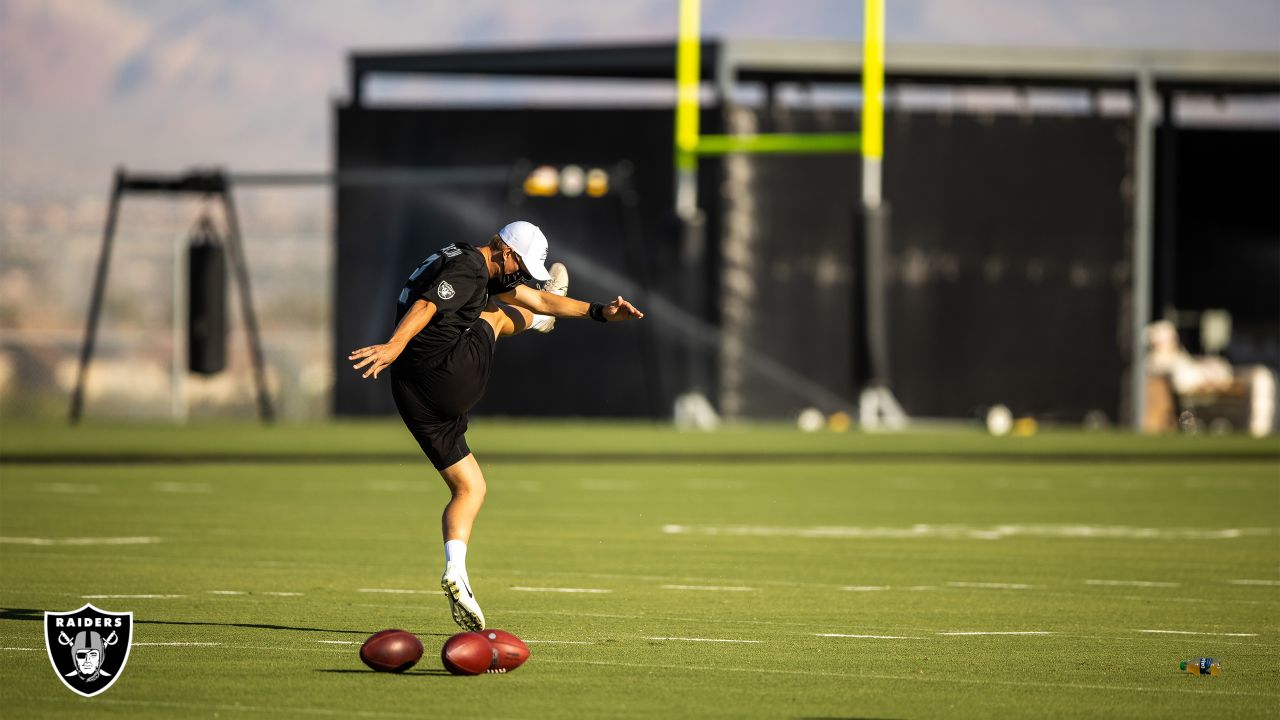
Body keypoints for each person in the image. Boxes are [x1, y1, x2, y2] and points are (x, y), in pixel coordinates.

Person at [347, 221, 644, 631]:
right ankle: (540, 321)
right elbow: (427, 306)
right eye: (520, 265)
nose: (521, 275)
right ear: (502, 249)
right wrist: (394, 345)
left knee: (471, 488)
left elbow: (527, 297)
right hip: (447, 378)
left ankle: (457, 572)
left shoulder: (460, 256)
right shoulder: (470, 268)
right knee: (496, 314)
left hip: (413, 396)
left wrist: (598, 312)